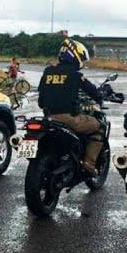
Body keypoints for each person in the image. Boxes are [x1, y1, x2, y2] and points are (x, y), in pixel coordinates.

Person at [38, 38, 104, 176]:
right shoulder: (75, 75)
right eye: (81, 58)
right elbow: (93, 91)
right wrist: (99, 98)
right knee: (99, 127)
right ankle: (89, 163)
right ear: (74, 55)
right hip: (68, 119)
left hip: (48, 117)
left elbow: (41, 100)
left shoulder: (48, 71)